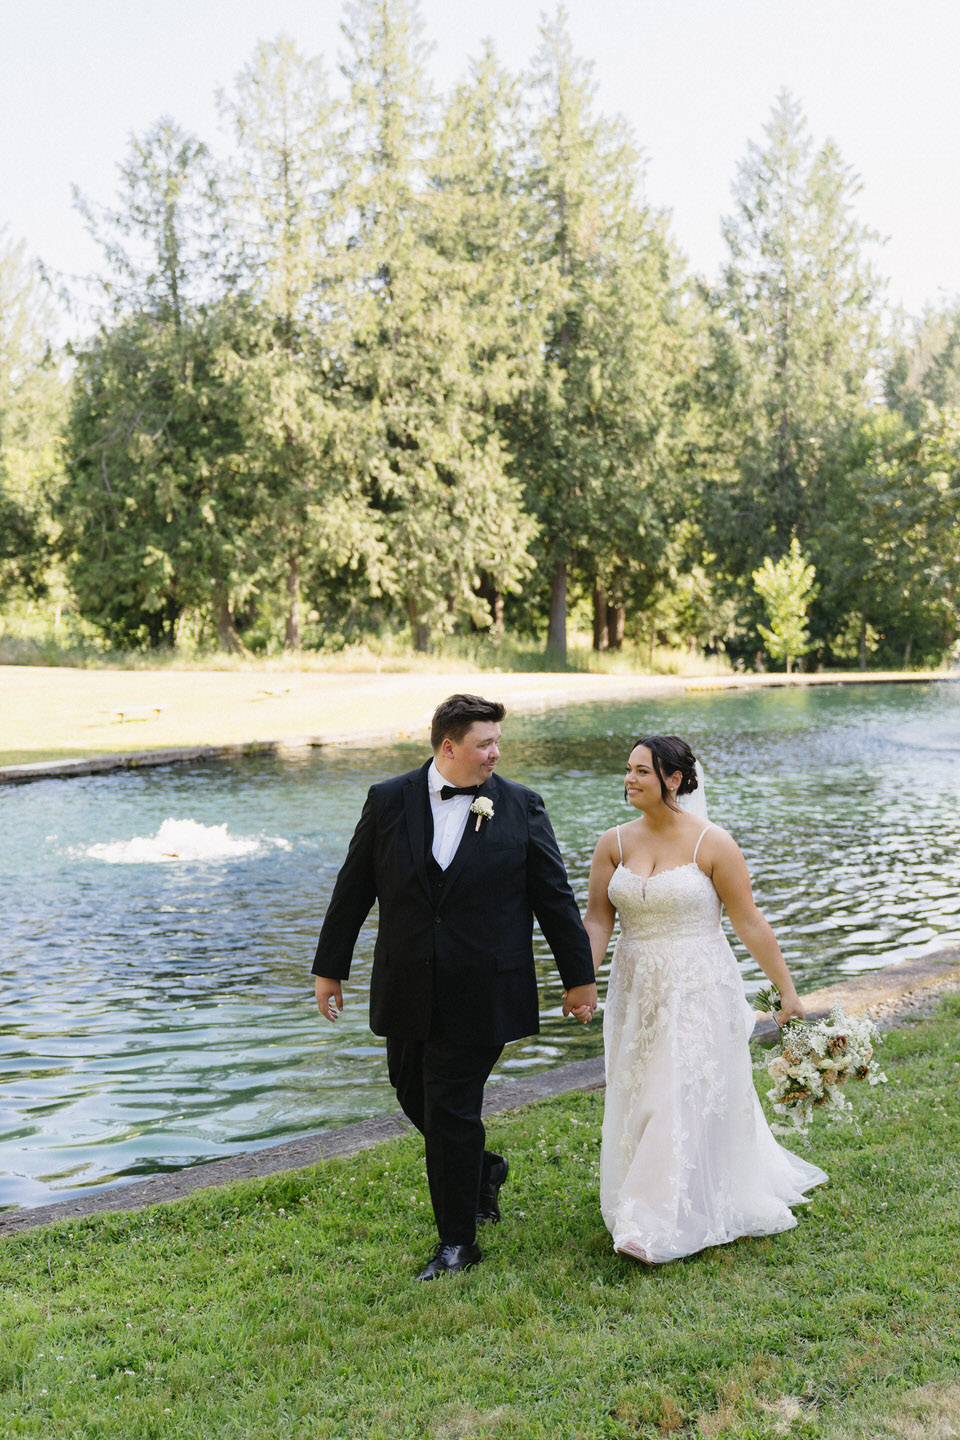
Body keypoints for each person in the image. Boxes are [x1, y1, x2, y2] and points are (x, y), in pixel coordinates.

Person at [312, 693, 598, 1281]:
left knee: (447, 1104)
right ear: (448, 746)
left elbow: (554, 897)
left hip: (484, 988)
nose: (496, 753)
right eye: (484, 743)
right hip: (406, 984)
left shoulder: (520, 806)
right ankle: (483, 1169)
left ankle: (457, 1244)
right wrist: (328, 968)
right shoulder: (387, 800)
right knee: (410, 1091)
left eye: (497, 742)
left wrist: (579, 979)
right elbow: (353, 888)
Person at [577, 733, 827, 1265]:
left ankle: (650, 1222)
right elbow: (599, 918)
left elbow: (749, 922)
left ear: (673, 779)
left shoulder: (712, 844)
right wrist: (582, 979)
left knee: (671, 1094)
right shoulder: (612, 843)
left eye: (642, 771)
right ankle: (658, 1193)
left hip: (698, 985)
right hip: (636, 987)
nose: (629, 779)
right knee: (641, 1091)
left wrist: (788, 992)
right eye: (628, 769)